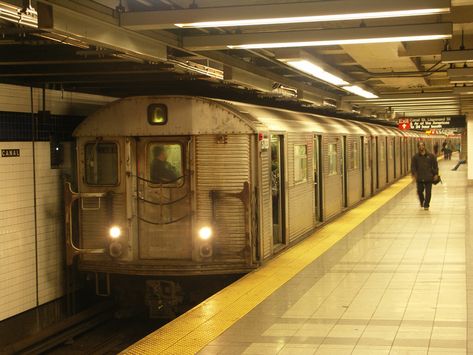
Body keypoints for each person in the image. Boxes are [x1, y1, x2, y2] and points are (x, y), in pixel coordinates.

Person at [411, 141, 439, 210]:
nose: (421, 147)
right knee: (420, 191)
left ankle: (426, 204)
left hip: (429, 177)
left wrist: (435, 174)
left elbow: (435, 165)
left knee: (428, 192)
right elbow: (413, 166)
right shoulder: (415, 157)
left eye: (422, 145)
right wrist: (414, 174)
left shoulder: (431, 156)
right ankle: (422, 201)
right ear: (418, 147)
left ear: (424, 146)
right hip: (419, 177)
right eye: (419, 146)